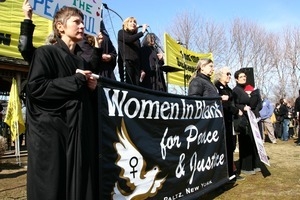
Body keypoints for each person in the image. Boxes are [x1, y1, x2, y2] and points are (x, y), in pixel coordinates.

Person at [25, 6, 98, 200]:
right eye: (76, 22)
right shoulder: (45, 53)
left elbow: (80, 99)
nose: (82, 26)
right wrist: (75, 81)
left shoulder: (81, 63)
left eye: (83, 22)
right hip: (52, 139)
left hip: (78, 138)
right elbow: (37, 89)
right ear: (60, 26)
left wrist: (91, 89)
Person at [214, 67, 244, 182]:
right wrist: (236, 111)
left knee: (231, 146)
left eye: (230, 74)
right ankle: (225, 174)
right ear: (220, 75)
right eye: (227, 74)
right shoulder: (216, 87)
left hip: (231, 121)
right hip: (222, 121)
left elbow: (232, 102)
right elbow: (224, 105)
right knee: (225, 147)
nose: (229, 76)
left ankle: (231, 172)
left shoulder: (229, 89)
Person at [232, 69, 261, 175]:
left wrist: (254, 95)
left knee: (253, 141)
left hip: (251, 119)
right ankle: (246, 167)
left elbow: (254, 103)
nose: (243, 78)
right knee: (245, 142)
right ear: (236, 79)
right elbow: (234, 104)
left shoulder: (248, 89)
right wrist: (243, 107)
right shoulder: (235, 90)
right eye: (241, 77)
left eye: (244, 76)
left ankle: (255, 164)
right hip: (243, 120)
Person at [117, 17, 148, 85]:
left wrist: (142, 68)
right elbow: (129, 39)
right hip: (126, 62)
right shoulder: (121, 32)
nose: (133, 23)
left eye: (134, 22)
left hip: (137, 65)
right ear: (126, 24)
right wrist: (142, 32)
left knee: (136, 85)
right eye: (130, 21)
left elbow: (139, 53)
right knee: (128, 84)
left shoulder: (137, 39)